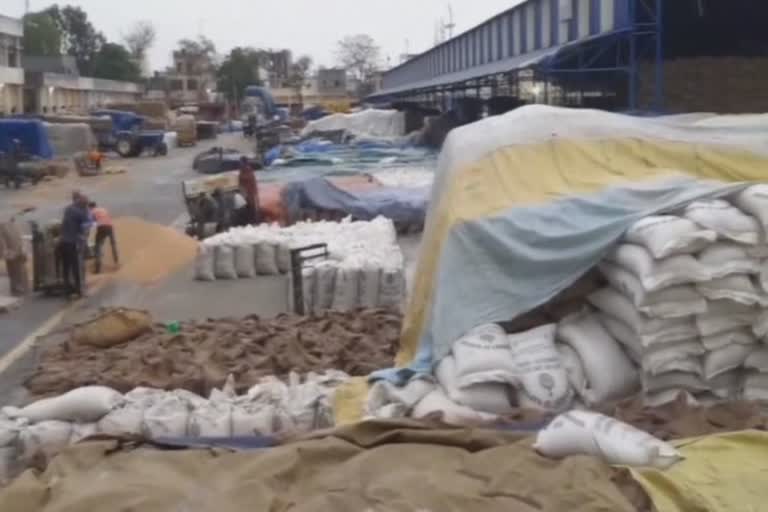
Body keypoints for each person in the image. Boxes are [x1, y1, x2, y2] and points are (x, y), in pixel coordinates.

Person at [58, 191, 90, 297]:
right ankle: (79, 291)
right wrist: (83, 241)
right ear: (83, 204)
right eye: (85, 204)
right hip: (72, 243)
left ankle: (66, 290)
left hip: (62, 242)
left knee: (66, 267)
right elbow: (86, 229)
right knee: (77, 268)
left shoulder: (68, 209)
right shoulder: (82, 212)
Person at [0, 218, 29, 297]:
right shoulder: (3, 225)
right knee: (14, 271)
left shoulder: (15, 225)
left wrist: (23, 249)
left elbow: (21, 238)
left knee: (20, 270)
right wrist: (6, 252)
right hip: (12, 252)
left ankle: (22, 288)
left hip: (18, 251)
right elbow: (2, 241)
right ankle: (17, 289)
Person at [88, 201, 118, 274]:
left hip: (101, 227)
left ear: (90, 207)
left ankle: (98, 268)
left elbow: (91, 222)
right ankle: (116, 261)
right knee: (113, 244)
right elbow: (109, 217)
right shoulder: (103, 209)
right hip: (110, 226)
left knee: (97, 246)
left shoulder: (92, 211)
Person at [237, 156, 260, 225]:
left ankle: (254, 223)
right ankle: (250, 222)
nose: (239, 164)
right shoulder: (243, 171)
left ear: (244, 163)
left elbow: (249, 183)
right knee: (248, 210)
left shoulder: (247, 171)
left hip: (250, 194)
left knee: (251, 209)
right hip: (246, 194)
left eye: (241, 162)